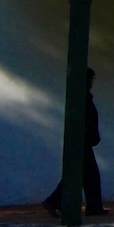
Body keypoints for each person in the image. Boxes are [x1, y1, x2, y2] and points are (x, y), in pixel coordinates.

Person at [42, 68, 107, 218]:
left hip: (84, 142)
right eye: (91, 79)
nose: (92, 82)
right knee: (79, 174)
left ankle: (94, 207)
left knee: (90, 175)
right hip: (81, 142)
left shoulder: (84, 96)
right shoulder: (81, 97)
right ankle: (53, 201)